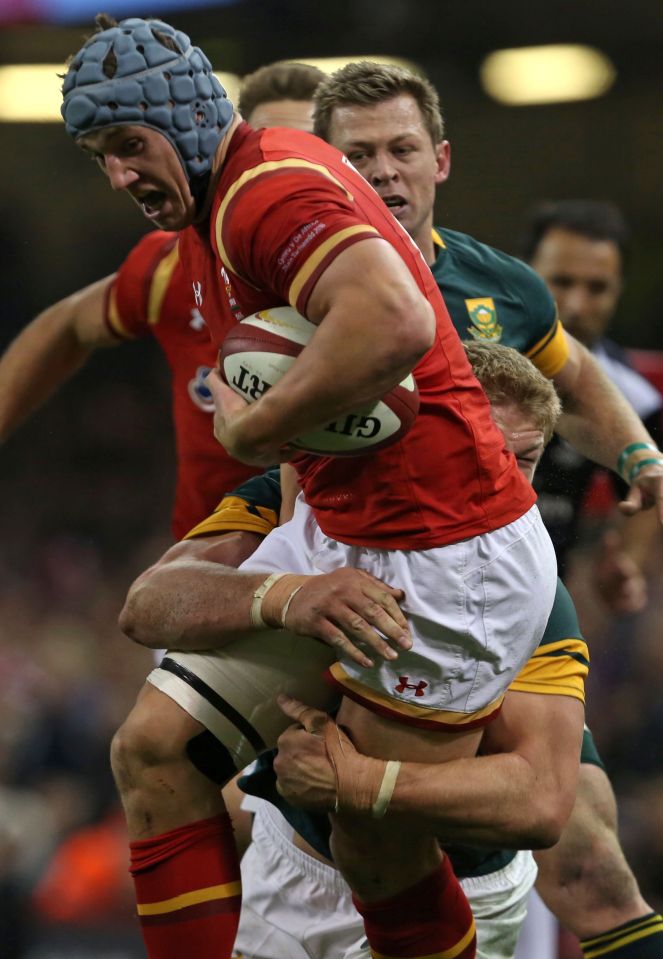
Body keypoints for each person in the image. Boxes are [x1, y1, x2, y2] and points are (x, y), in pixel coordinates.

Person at [62, 17, 564, 959]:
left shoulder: (262, 196)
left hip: (447, 551)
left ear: (185, 119)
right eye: (101, 156)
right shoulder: (232, 196)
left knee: (372, 842)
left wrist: (253, 422)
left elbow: (393, 321)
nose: (120, 175)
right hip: (346, 527)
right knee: (153, 749)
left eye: (130, 145)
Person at [310, 64, 663, 959]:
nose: (384, 170)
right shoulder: (294, 289)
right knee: (265, 811)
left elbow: (576, 374)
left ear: (441, 159)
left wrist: (635, 452)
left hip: (509, 586)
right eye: (359, 154)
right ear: (329, 169)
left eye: (400, 149)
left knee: (587, 855)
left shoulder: (498, 286)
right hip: (356, 582)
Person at [0, 60, 324, 539]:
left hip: (347, 566)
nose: (284, 171)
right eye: (270, 150)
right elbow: (65, 326)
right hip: (213, 576)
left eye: (309, 151)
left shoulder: (385, 287)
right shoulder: (170, 267)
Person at [522, 199, 662, 604]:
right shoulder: (464, 356)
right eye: (561, 282)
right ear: (521, 276)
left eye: (597, 287)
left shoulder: (632, 398)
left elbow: (648, 487)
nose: (576, 305)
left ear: (618, 291)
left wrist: (628, 567)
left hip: (538, 608)